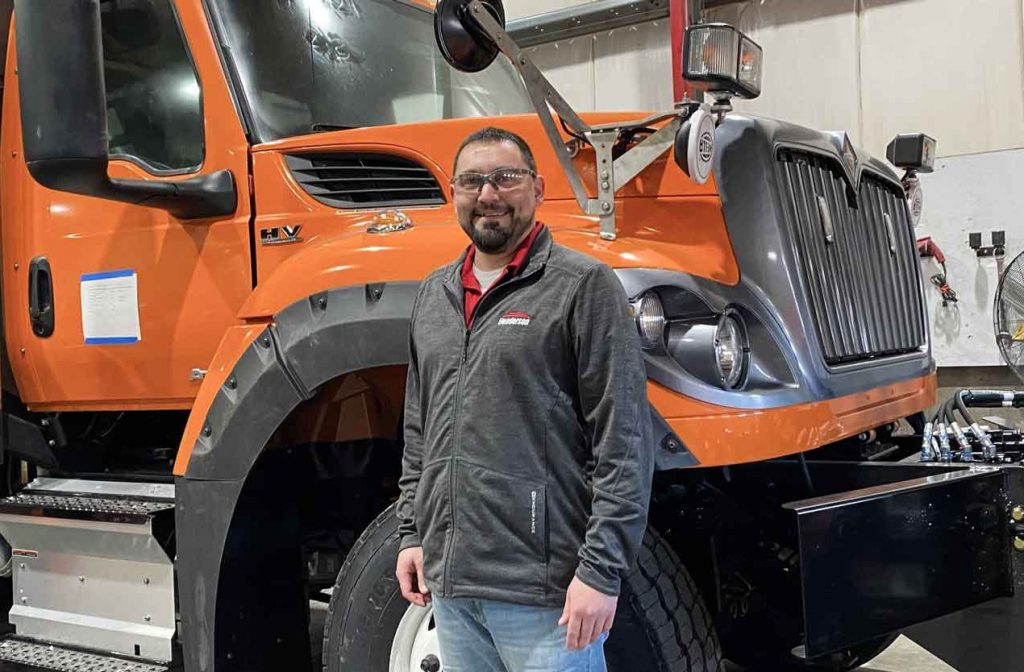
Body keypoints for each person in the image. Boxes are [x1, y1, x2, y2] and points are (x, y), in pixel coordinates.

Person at [395, 126, 653, 671]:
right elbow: (419, 430)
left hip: (546, 596)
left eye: (505, 178)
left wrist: (600, 572)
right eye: (471, 181)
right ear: (454, 195)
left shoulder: (582, 287)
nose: (488, 194)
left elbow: (624, 441)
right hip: (452, 589)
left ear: (537, 189)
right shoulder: (433, 295)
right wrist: (412, 534)